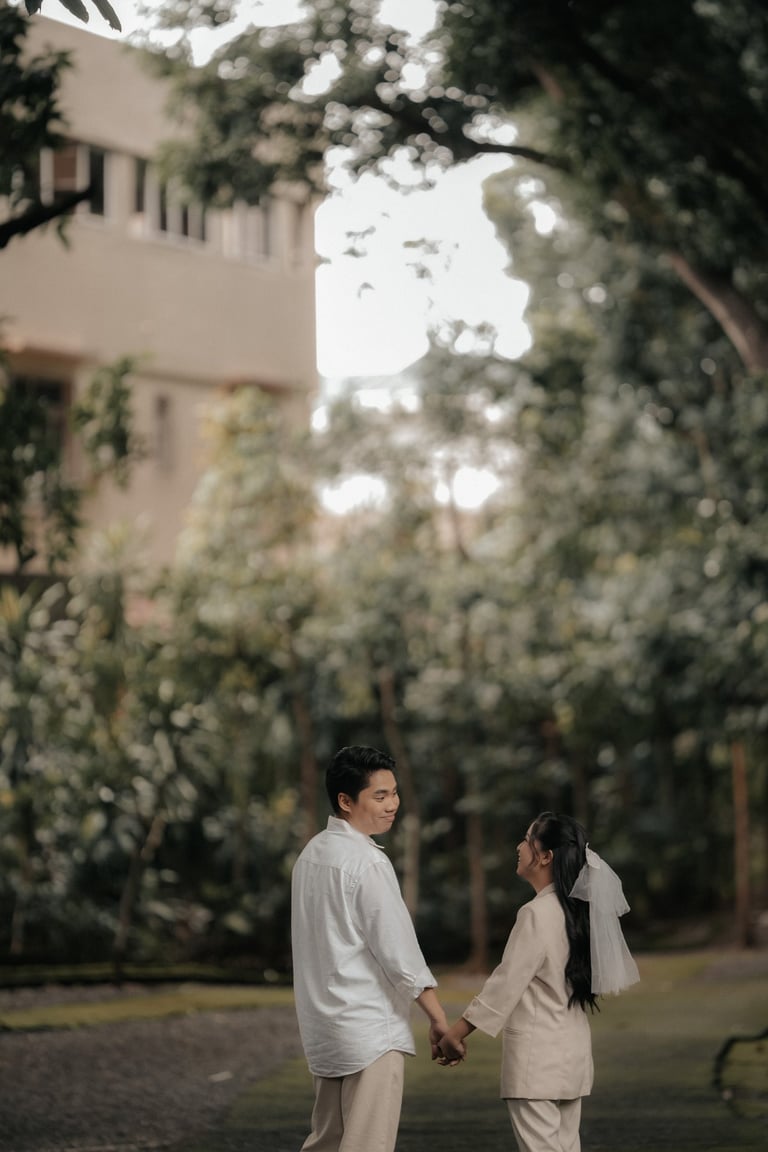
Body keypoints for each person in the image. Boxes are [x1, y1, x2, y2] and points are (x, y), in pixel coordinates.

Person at [438, 811, 639, 1152]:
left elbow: (505, 985)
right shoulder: (579, 914)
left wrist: (455, 1033)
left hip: (536, 1063)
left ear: (545, 856)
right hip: (572, 1059)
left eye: (527, 840)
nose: (519, 847)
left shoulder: (535, 914)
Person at [291, 745, 449, 1152]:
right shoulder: (367, 862)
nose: (392, 805)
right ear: (346, 801)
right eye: (379, 796)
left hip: (325, 1028)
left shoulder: (311, 855)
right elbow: (400, 954)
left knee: (326, 1142)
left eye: (394, 793)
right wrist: (438, 1019)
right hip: (369, 1032)